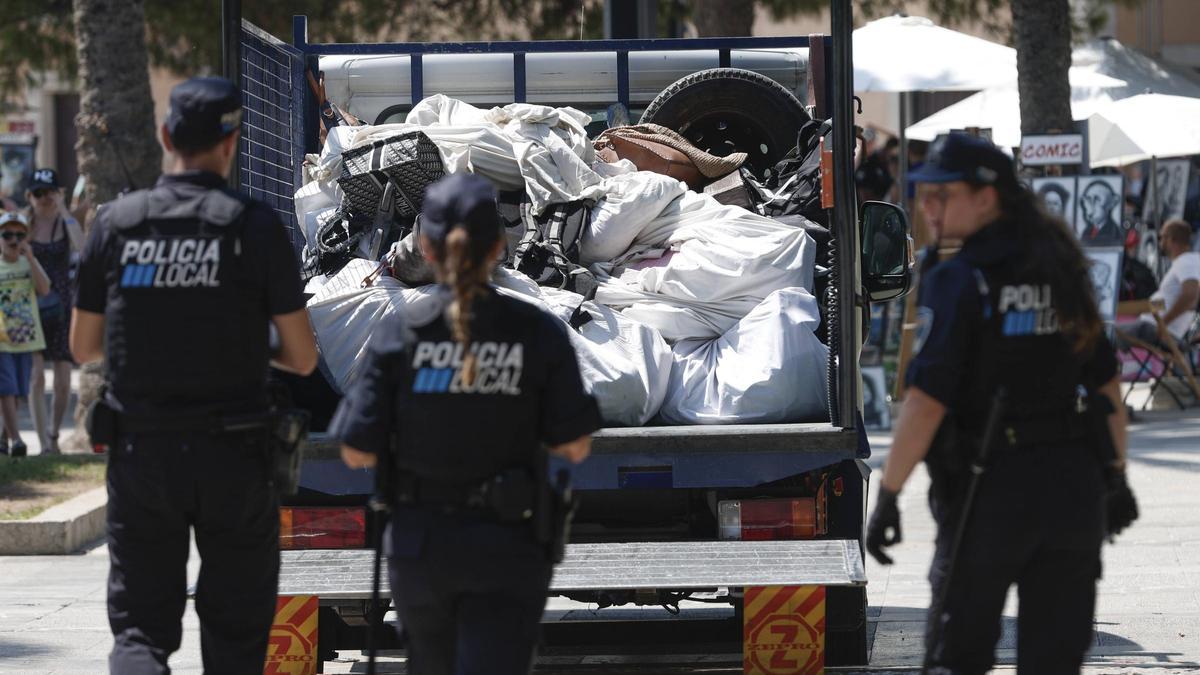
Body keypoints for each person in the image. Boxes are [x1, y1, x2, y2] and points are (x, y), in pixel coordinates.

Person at [69, 77, 318, 674]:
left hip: (144, 452)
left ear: (165, 136)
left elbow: (82, 348)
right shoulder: (255, 227)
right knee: (236, 636)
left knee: (139, 633)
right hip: (236, 455)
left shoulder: (118, 222)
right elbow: (304, 357)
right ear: (231, 143)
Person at [865, 134, 1132, 672]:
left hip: (986, 498)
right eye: (925, 196)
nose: (928, 209)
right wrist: (1116, 478)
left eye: (943, 195)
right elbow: (1106, 386)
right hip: (1070, 494)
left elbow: (926, 402)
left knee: (957, 660)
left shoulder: (960, 279)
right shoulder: (1060, 267)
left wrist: (890, 494)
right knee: (1054, 662)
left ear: (986, 198)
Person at [333, 172, 600, 675]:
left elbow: (354, 449)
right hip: (508, 544)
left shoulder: (398, 332)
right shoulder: (538, 331)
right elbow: (576, 445)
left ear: (426, 249)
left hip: (422, 545)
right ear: (499, 246)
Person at [25, 167, 84, 454]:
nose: (44, 198)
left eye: (49, 192)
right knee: (36, 375)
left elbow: (81, 245)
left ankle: (53, 435)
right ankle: (41, 442)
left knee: (62, 378)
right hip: (31, 303)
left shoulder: (64, 222)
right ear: (29, 196)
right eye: (38, 193)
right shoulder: (25, 224)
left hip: (61, 304)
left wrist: (63, 209)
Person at [0, 211, 51, 457]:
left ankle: (4, 436)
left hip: (26, 338)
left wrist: (31, 258)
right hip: (2, 339)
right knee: (6, 388)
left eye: (19, 235)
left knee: (18, 390)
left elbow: (44, 288)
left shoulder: (28, 262)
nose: (13, 240)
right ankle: (17, 439)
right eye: (7, 235)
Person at [1121, 219, 1199, 348]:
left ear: (1171, 239)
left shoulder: (1186, 262)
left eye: (1161, 237)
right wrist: (1123, 309)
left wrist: (1163, 324)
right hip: (1154, 325)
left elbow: (1190, 296)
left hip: (1153, 328)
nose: (1159, 242)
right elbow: (1163, 303)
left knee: (1104, 333)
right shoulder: (1189, 262)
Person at [1077, 178, 1123, 244]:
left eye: (1097, 199)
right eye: (1088, 199)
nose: (1091, 206)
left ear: (1110, 203)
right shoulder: (1086, 232)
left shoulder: (1113, 233)